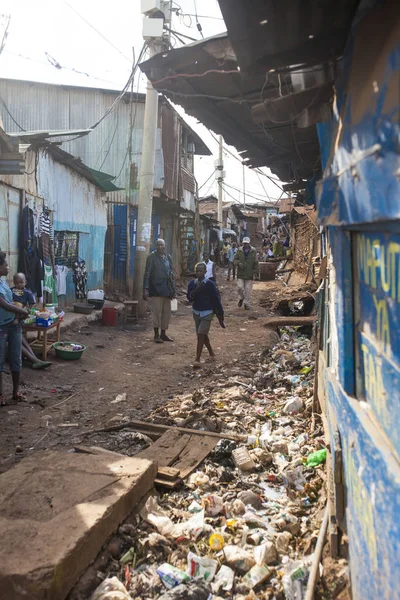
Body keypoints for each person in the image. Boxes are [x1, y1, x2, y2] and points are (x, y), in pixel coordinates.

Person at [0, 253, 29, 405]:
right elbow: (4, 304)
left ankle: (15, 392)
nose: (8, 267)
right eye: (5, 264)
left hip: (14, 324)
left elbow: (11, 300)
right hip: (1, 326)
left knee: (16, 357)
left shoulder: (3, 281)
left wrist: (21, 311)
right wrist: (21, 311)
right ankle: (0, 395)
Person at [187, 262, 225, 367]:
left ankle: (197, 359)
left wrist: (220, 314)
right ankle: (211, 353)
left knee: (200, 335)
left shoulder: (209, 284)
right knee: (202, 335)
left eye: (201, 271)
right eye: (197, 271)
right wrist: (195, 291)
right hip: (196, 312)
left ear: (205, 272)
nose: (199, 273)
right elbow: (189, 299)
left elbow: (216, 300)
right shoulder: (192, 284)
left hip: (207, 313)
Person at [12, 273, 52, 369]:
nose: (19, 285)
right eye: (17, 283)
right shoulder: (11, 291)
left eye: (21, 282)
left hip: (18, 316)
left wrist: (24, 312)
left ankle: (35, 359)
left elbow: (30, 306)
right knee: (16, 340)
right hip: (11, 318)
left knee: (21, 339)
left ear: (25, 282)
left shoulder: (27, 293)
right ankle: (34, 360)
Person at [143, 239, 175, 344]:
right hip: (156, 289)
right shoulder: (152, 257)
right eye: (158, 245)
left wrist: (173, 290)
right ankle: (156, 335)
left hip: (167, 289)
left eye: (162, 245)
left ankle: (163, 333)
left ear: (165, 246)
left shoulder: (168, 258)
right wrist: (146, 288)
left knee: (166, 313)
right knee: (157, 312)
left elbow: (171, 275)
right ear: (156, 246)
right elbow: (147, 273)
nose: (160, 247)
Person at [234, 237, 259, 310]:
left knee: (248, 290)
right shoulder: (239, 250)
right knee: (240, 288)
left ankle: (247, 304)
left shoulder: (253, 251)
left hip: (249, 273)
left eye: (246, 243)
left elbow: (256, 262)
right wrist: (238, 263)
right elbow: (235, 260)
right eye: (244, 243)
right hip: (240, 273)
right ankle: (241, 298)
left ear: (249, 243)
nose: (245, 245)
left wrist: (255, 272)